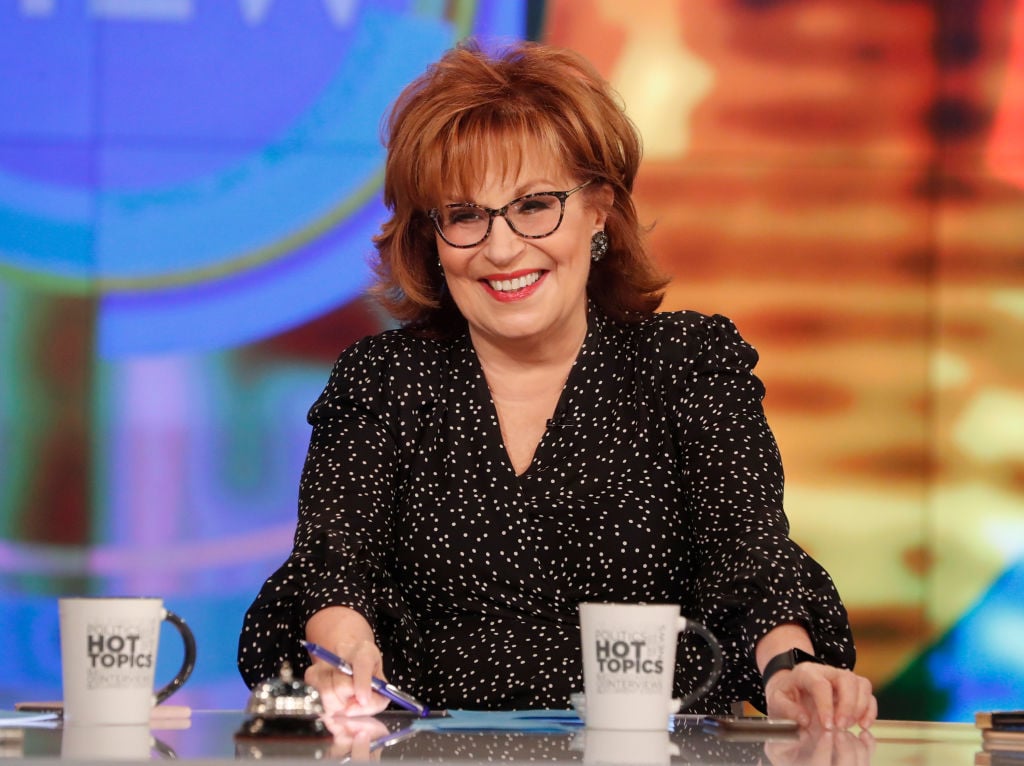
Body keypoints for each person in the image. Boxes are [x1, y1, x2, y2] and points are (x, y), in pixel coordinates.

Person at [238, 39, 877, 730]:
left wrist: (789, 668)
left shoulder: (686, 365)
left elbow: (748, 559)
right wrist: (343, 654)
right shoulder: (385, 382)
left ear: (598, 209)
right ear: (432, 237)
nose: (502, 248)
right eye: (465, 215)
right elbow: (335, 569)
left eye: (535, 205)